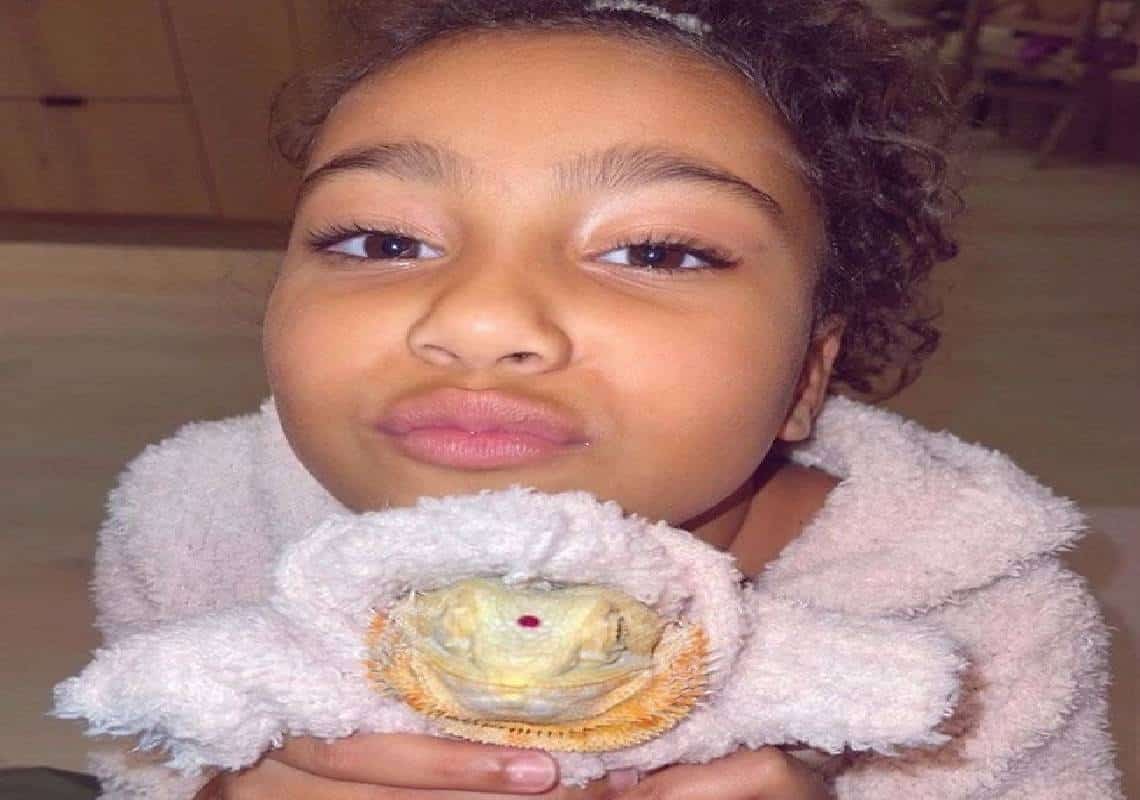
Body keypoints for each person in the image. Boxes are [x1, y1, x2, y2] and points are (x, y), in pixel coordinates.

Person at [78, 1, 1122, 798]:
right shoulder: (199, 520)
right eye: (382, 240)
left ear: (808, 375)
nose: (480, 320)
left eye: (655, 251)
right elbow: (139, 752)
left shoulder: (977, 616)